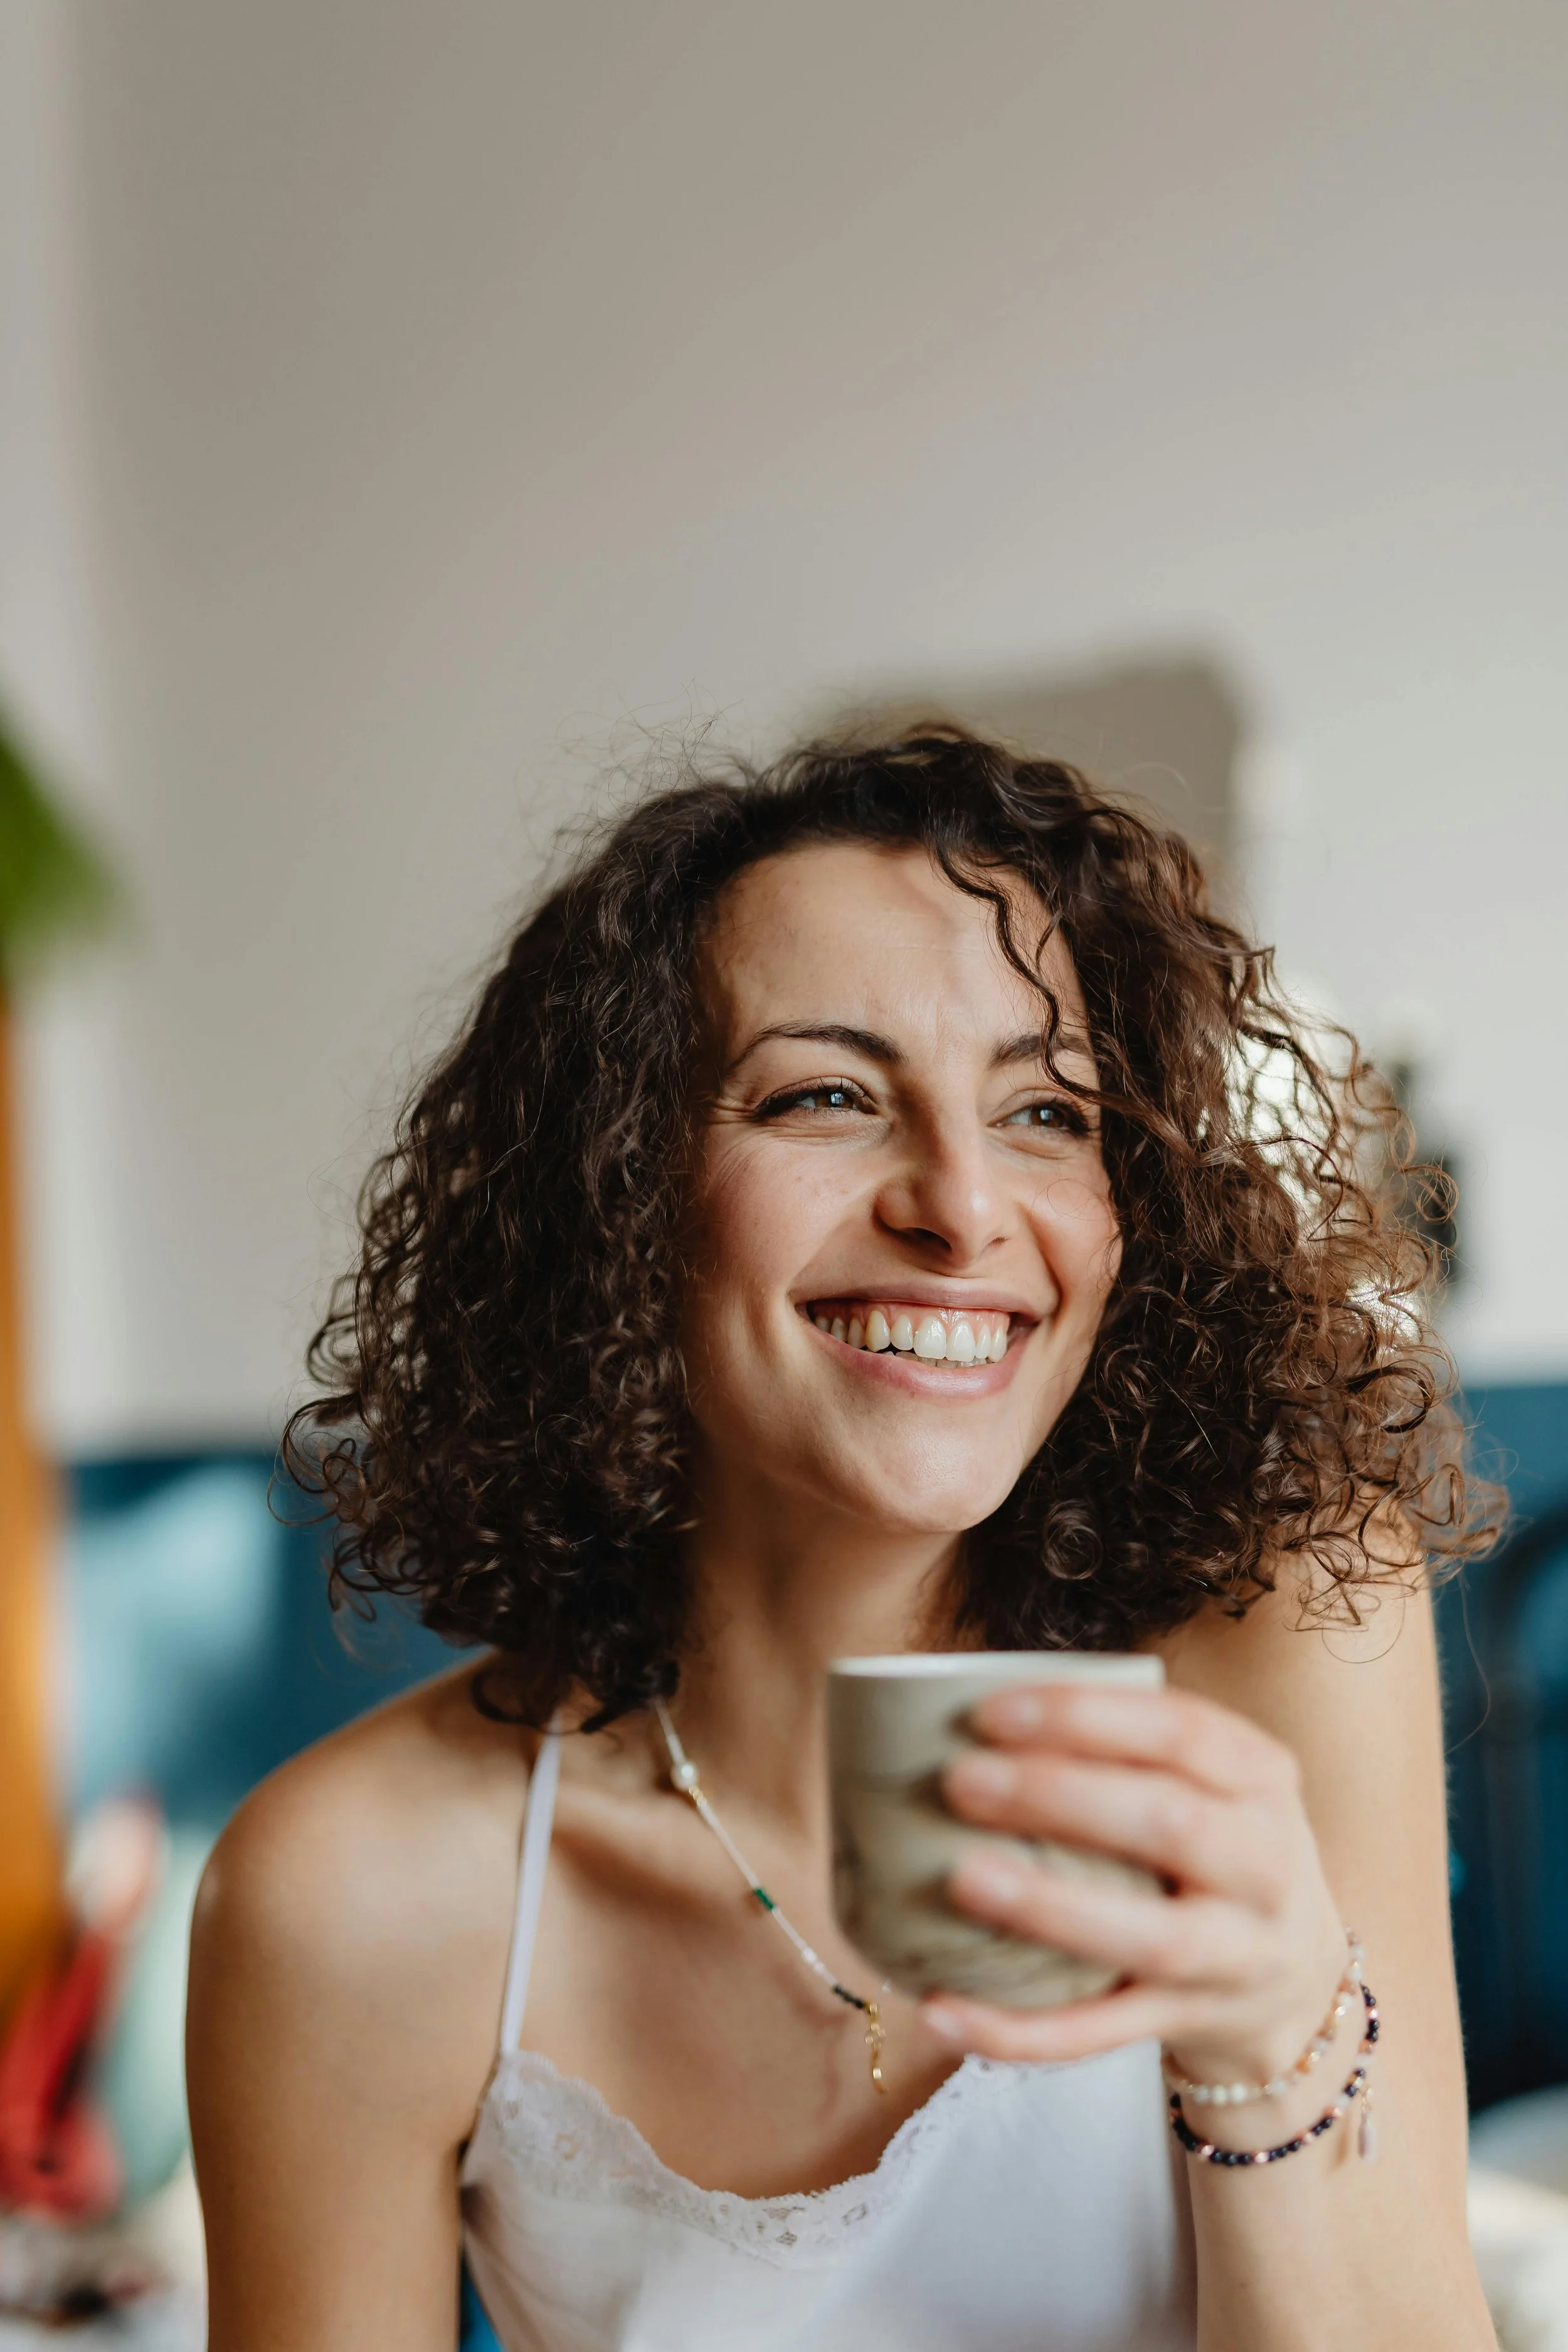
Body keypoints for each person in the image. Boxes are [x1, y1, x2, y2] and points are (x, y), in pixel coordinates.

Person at [187, 725, 1501, 2351]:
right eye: (824, 1094)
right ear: (618, 1203)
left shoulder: (1274, 1639)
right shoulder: (351, 1888)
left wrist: (1269, 2026)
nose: (960, 1205)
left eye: (1043, 1109)